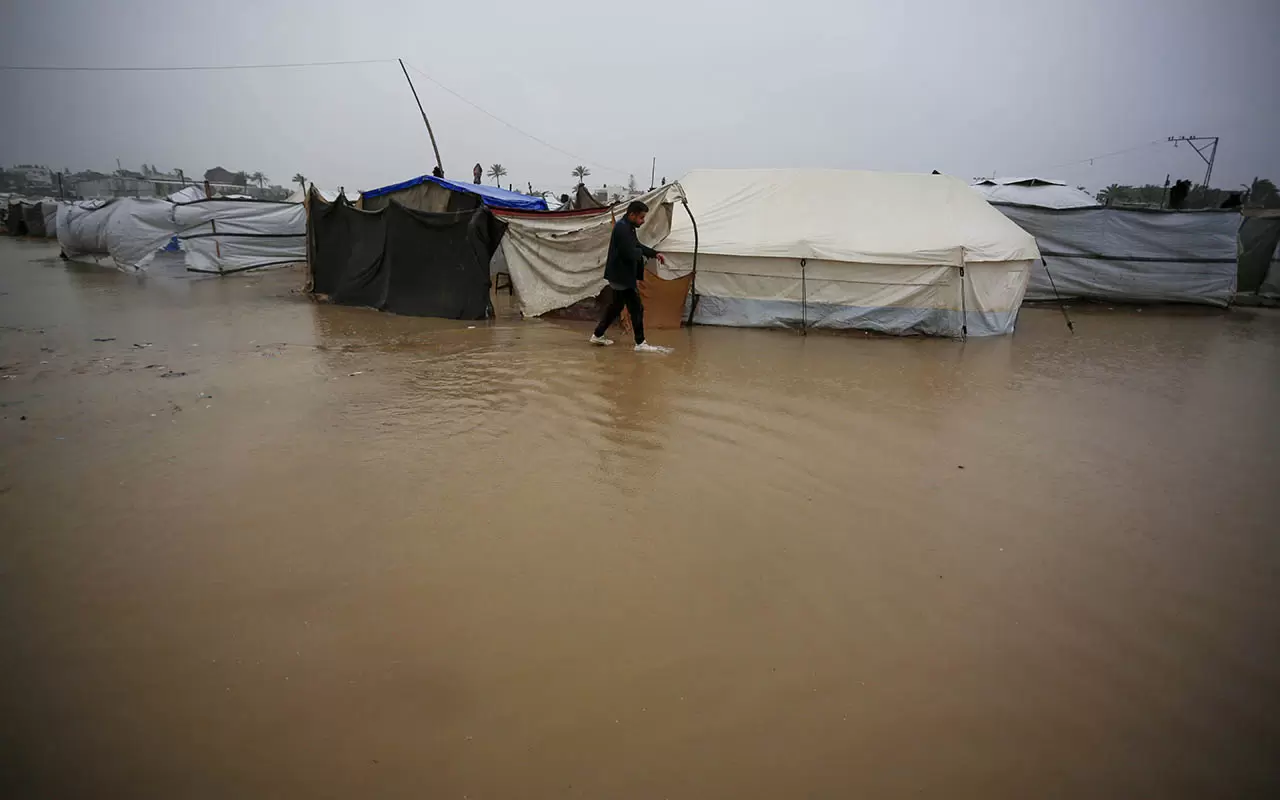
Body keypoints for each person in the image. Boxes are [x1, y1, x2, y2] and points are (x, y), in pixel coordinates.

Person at [591, 200, 667, 352]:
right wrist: (641, 256)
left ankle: (598, 335)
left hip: (621, 275)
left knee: (616, 306)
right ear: (632, 215)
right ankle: (640, 343)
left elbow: (636, 245)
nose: (643, 221)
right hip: (622, 276)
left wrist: (654, 254)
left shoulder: (628, 227)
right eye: (641, 217)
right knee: (636, 308)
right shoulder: (622, 229)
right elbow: (629, 253)